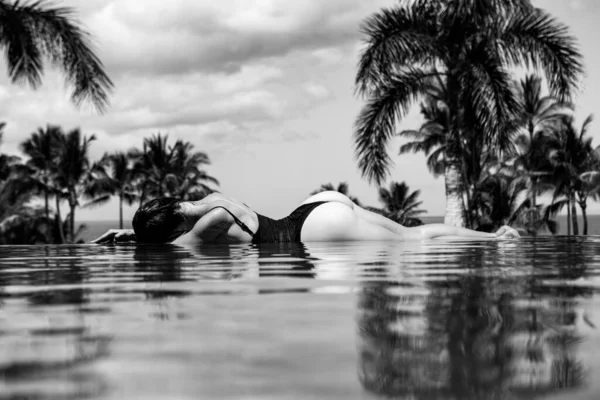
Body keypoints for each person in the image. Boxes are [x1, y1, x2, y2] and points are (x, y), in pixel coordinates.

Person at [91, 191, 521, 245]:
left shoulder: (206, 226)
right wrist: (130, 231)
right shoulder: (207, 201)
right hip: (315, 207)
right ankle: (492, 237)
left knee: (413, 246)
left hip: (312, 232)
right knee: (413, 236)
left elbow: (174, 251)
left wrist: (135, 240)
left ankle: (495, 239)